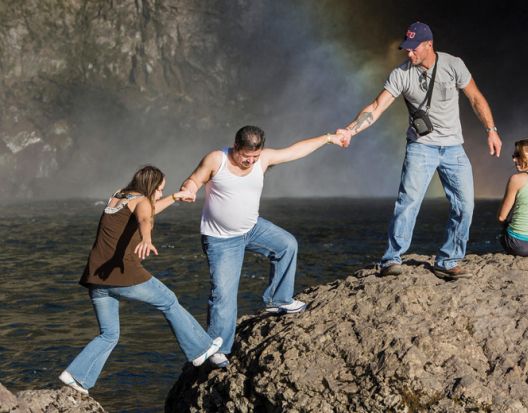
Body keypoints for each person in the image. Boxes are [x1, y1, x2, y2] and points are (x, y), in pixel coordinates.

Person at [337, 21, 502, 279]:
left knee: (466, 204)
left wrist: (491, 130)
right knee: (408, 202)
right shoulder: (401, 74)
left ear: (429, 45)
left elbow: (475, 97)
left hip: (453, 148)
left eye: (414, 49)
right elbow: (377, 107)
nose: (409, 53)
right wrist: (349, 130)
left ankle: (448, 260)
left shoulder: (453, 65)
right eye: (407, 49)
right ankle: (391, 259)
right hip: (420, 146)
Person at [179, 125, 346, 368]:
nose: (250, 161)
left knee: (287, 245)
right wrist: (189, 190)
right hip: (221, 239)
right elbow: (195, 178)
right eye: (246, 156)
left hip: (252, 228)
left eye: (254, 157)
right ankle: (217, 348)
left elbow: (295, 151)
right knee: (223, 294)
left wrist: (329, 138)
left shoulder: (263, 159)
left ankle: (278, 299)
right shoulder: (217, 159)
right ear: (236, 147)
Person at [59, 166, 222, 395]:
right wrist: (147, 239)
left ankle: (76, 375)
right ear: (151, 186)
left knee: (109, 334)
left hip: (96, 277)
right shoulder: (143, 201)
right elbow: (146, 218)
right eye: (160, 190)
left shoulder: (119, 195)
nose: (158, 194)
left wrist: (174, 196)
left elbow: (148, 210)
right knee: (168, 300)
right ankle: (200, 349)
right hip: (122, 274)